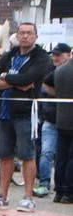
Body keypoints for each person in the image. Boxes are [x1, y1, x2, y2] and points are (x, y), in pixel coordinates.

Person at [0, 22, 51, 212]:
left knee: (26, 154)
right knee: (4, 154)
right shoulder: (9, 55)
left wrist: (7, 78)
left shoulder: (41, 57)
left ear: (35, 36)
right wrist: (15, 81)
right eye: (21, 32)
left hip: (25, 112)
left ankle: (28, 197)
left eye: (29, 33)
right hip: (4, 111)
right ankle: (2, 196)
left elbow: (28, 79)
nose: (24, 36)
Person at [35, 42, 70, 197]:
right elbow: (43, 87)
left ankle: (61, 188)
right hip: (50, 118)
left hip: (64, 120)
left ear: (68, 55)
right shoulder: (51, 70)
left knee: (63, 155)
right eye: (54, 55)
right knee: (47, 152)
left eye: (59, 55)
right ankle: (45, 183)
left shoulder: (64, 70)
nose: (55, 58)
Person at [49, 42, 73, 204]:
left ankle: (59, 190)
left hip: (61, 118)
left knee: (61, 156)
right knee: (72, 157)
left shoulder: (60, 70)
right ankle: (69, 191)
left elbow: (46, 83)